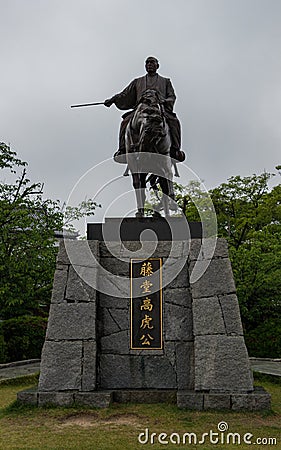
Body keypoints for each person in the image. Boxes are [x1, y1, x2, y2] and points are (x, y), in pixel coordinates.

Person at [104, 56, 183, 161]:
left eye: (152, 62)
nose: (149, 64)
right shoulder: (137, 81)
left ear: (157, 66)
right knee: (125, 122)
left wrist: (164, 101)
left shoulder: (165, 81)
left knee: (174, 122)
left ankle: (175, 150)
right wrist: (113, 99)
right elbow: (124, 94)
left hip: (159, 109)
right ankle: (122, 150)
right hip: (140, 110)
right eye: (147, 63)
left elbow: (172, 96)